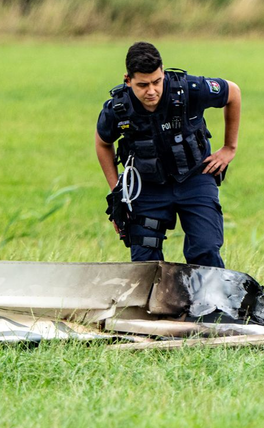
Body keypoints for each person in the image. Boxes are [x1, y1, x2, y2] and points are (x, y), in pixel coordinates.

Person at [95, 41, 241, 268]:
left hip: (195, 177)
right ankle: (156, 304)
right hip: (147, 187)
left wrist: (229, 148)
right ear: (128, 80)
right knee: (145, 262)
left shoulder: (189, 89)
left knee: (205, 250)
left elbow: (233, 92)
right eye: (143, 85)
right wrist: (118, 192)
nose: (151, 91)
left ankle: (210, 303)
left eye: (156, 81)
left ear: (163, 72)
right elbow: (103, 143)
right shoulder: (118, 108)